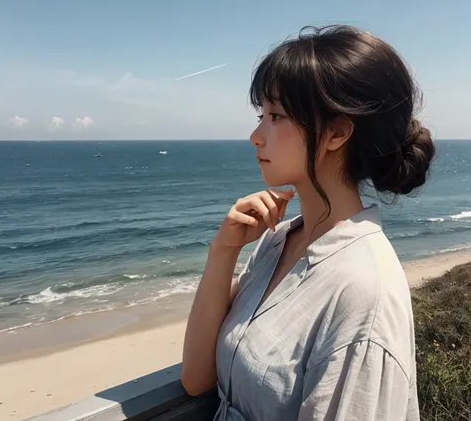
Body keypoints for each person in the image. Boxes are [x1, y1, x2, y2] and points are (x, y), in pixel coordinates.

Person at [181, 25, 435, 421]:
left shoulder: (363, 294)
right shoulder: (278, 241)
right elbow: (196, 378)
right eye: (260, 114)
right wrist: (224, 250)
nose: (255, 135)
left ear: (336, 132)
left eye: (275, 115)